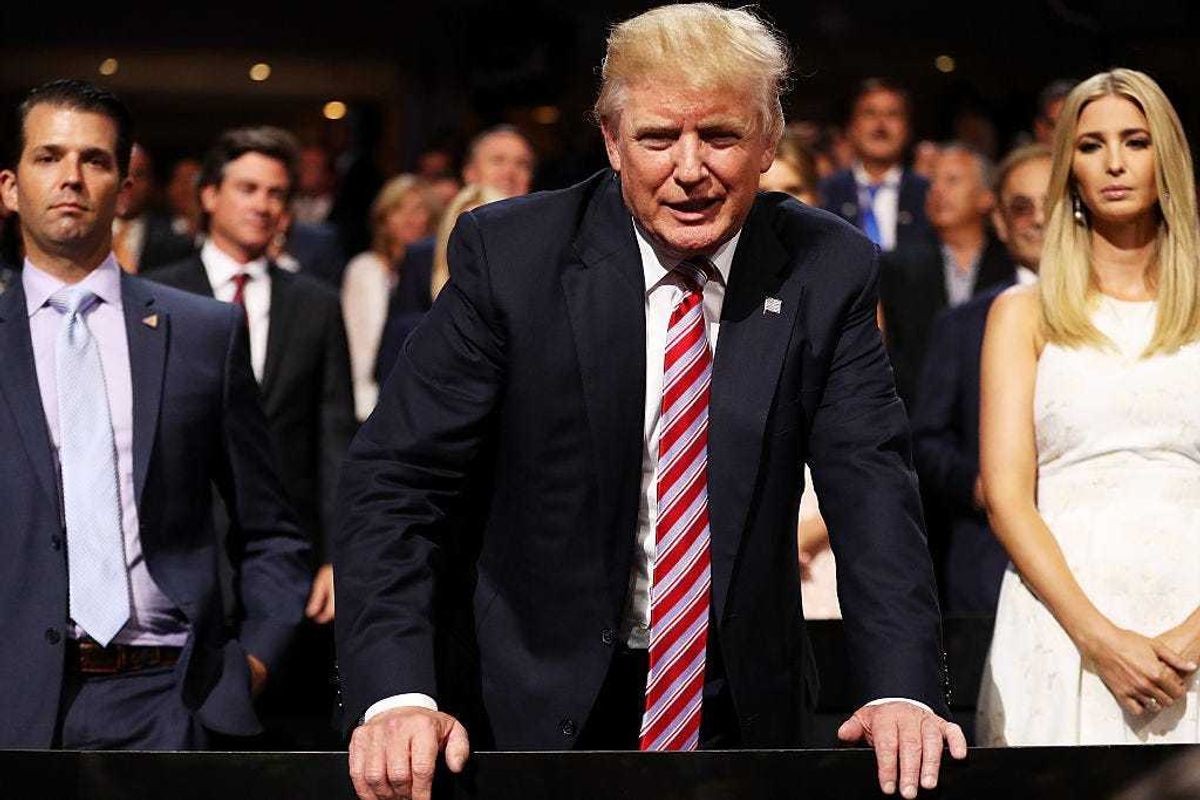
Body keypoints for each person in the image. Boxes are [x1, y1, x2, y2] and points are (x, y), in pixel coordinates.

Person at [335, 6, 963, 800]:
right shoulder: (513, 256)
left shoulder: (824, 267)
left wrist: (902, 688)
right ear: (611, 141)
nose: (690, 168)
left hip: (737, 711)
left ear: (770, 143)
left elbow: (873, 488)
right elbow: (395, 483)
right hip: (522, 706)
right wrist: (396, 696)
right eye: (659, 137)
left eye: (722, 137)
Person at [0, 79, 310, 749]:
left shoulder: (203, 332)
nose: (72, 178)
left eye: (96, 160)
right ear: (8, 186)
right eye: (49, 157)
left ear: (126, 187)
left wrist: (250, 665)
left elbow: (271, 528)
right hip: (14, 701)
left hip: (172, 697)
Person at [977, 68, 1200, 745]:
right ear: (1068, 165)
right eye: (1090, 144)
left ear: (1166, 154)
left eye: (1134, 141)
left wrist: (1192, 637)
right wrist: (1098, 638)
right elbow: (1008, 498)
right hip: (1063, 619)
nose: (1113, 163)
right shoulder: (1022, 313)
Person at [153, 127, 356, 630]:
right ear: (209, 195)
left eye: (275, 193)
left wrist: (337, 555)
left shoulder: (317, 305)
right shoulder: (155, 297)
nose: (262, 205)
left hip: (289, 556)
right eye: (247, 188)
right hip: (175, 551)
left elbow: (334, 441)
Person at [910, 144, 1051, 616]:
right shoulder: (964, 322)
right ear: (1001, 222)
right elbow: (925, 439)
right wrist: (981, 486)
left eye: (1054, 203)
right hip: (989, 569)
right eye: (1022, 207)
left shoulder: (1125, 316)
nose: (1039, 219)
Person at [879, 143, 1014, 406]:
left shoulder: (1010, 265)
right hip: (917, 416)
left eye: (952, 181)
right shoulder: (896, 267)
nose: (938, 191)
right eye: (933, 183)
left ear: (986, 196)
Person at [341, 175, 440, 420]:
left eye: (417, 209)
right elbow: (354, 342)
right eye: (398, 209)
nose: (408, 218)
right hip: (365, 398)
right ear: (384, 218)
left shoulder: (439, 274)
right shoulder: (364, 269)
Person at [820, 78, 932, 254]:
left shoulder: (929, 195)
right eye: (869, 113)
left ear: (908, 129)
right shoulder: (826, 193)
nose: (880, 125)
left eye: (892, 114)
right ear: (851, 127)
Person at [111, 143, 195, 273]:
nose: (128, 183)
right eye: (123, 173)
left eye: (138, 175)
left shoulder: (176, 240)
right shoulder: (84, 232)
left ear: (152, 182)